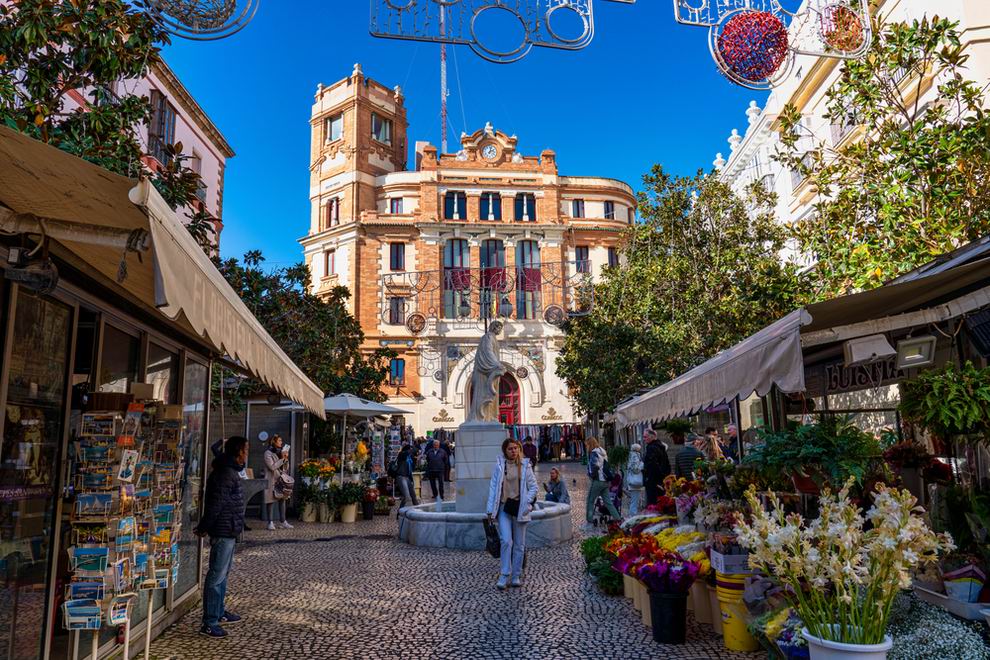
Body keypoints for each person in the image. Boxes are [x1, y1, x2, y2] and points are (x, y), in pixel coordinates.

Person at [195, 435, 248, 639]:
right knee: (216, 576)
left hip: (230, 528)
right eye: (245, 450)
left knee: (223, 574)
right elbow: (216, 504)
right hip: (223, 530)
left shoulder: (230, 470)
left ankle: (219, 612)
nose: (247, 454)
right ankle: (209, 622)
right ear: (237, 452)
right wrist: (204, 526)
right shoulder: (226, 473)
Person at [486, 438, 538, 590]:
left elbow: (533, 487)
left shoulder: (525, 465)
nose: (514, 451)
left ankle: (516, 575)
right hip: (504, 508)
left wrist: (527, 502)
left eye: (516, 448)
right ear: (505, 451)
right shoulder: (500, 466)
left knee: (519, 544)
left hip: (520, 508)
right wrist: (490, 509)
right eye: (510, 449)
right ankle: (504, 574)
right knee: (506, 541)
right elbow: (493, 487)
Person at [584, 438, 620, 526]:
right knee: (608, 502)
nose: (586, 447)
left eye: (587, 445)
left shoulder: (594, 453)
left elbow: (595, 466)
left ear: (589, 444)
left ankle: (589, 520)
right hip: (605, 481)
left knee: (590, 500)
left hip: (597, 480)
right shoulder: (603, 451)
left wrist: (591, 475)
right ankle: (618, 518)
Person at [263, 435, 293, 531]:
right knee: (270, 500)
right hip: (272, 479)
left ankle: (283, 521)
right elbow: (272, 467)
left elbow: (285, 468)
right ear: (274, 442)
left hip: (281, 479)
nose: (281, 442)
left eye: (281, 440)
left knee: (282, 499)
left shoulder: (281, 452)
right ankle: (270, 522)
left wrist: (285, 459)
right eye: (279, 440)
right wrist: (282, 459)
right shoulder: (268, 453)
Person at [642, 428, 672, 508]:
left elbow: (652, 466)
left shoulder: (651, 448)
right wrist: (664, 476)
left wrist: (651, 479)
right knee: (661, 503)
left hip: (654, 482)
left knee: (653, 505)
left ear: (651, 437)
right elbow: (667, 464)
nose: (643, 439)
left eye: (645, 437)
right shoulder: (661, 447)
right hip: (661, 480)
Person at [395, 443, 418, 515]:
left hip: (407, 478)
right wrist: (412, 448)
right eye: (410, 449)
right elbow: (413, 450)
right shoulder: (402, 455)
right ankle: (399, 512)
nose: (411, 451)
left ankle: (419, 512)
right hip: (401, 477)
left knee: (413, 496)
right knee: (406, 496)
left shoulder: (409, 458)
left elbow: (411, 468)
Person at [625, 443, 645, 516]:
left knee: (635, 499)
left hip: (634, 481)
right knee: (634, 500)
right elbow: (635, 469)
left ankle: (633, 514)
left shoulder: (633, 455)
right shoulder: (635, 456)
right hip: (635, 482)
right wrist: (642, 464)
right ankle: (632, 515)